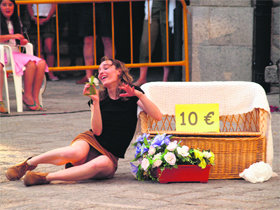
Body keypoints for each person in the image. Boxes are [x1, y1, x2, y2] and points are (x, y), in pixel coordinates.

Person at [5, 56, 162, 186]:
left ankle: (45, 178)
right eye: (99, 70)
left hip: (110, 155)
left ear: (119, 70)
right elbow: (97, 131)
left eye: (106, 68)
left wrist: (138, 95)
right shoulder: (99, 98)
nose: (101, 72)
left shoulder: (133, 93)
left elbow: (158, 116)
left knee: (102, 164)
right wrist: (95, 102)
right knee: (76, 152)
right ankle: (28, 164)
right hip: (91, 141)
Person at [0, 0, 48, 111]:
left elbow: (17, 40)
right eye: (4, 5)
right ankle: (26, 97)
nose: (8, 7)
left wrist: (22, 41)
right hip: (3, 53)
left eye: (10, 5)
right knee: (30, 63)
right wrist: (11, 36)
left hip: (15, 52)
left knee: (40, 63)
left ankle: (33, 96)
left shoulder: (16, 20)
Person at [134, 0, 175, 86]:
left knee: (167, 42)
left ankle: (165, 79)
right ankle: (142, 77)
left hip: (168, 6)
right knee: (146, 42)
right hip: (152, 7)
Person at [76, 3, 114, 84]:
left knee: (107, 39)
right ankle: (89, 76)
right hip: (87, 5)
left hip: (105, 5)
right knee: (88, 40)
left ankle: (110, 74)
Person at [27, 3, 59, 81]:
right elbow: (29, 5)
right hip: (35, 18)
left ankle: (50, 72)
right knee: (39, 48)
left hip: (49, 18)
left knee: (49, 48)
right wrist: (33, 17)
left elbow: (54, 4)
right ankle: (42, 73)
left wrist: (47, 18)